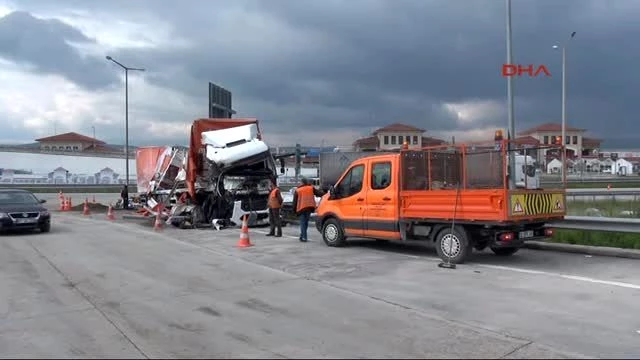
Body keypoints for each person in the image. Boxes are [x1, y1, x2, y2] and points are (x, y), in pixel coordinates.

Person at [292, 177, 323, 242]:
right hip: (309, 207)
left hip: (301, 208)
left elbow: (294, 202)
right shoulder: (311, 188)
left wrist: (294, 210)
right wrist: (327, 194)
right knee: (305, 223)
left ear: (302, 182)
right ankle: (302, 235)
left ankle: (304, 237)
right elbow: (319, 193)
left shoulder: (298, 190)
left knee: (303, 223)